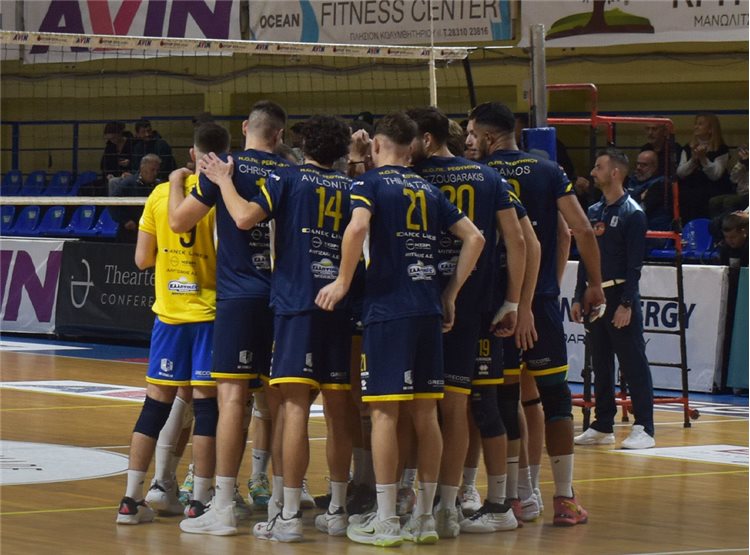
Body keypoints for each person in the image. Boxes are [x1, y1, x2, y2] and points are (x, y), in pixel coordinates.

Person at [316, 111, 485, 547]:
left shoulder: (368, 184)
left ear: (376, 145)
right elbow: (475, 238)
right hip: (428, 308)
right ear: (413, 147)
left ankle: (388, 518)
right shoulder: (429, 189)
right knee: (426, 414)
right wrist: (450, 293)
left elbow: (357, 227)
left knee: (384, 413)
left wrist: (342, 282)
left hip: (388, 310)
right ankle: (425, 518)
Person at [199, 114, 354, 542]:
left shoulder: (289, 178)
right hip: (340, 303)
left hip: (296, 302)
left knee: (293, 406)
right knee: (339, 411)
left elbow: (245, 217)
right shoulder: (353, 187)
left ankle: (286, 515)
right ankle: (338, 510)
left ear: (304, 146)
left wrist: (223, 180)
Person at [466, 101, 605, 527]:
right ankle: (564, 498)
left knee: (503, 399)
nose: (469, 141)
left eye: (472, 134)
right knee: (555, 397)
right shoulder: (548, 170)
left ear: (488, 137)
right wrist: (589, 284)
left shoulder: (479, 175)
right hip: (540, 303)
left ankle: (513, 497)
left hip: (497, 303)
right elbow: (575, 230)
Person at [168, 100, 290, 536]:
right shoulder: (291, 173)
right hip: (284, 298)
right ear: (280, 135)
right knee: (281, 404)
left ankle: (222, 504)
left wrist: (176, 182)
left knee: (232, 399)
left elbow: (179, 222)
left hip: (238, 297)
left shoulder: (226, 168)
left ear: (244, 128)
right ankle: (282, 502)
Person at [407, 106, 527, 538]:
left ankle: (407, 499)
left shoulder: (411, 176)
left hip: (420, 299)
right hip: (477, 304)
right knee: (460, 407)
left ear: (426, 139)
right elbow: (517, 241)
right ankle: (448, 507)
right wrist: (513, 301)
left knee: (412, 406)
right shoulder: (488, 176)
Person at [115, 122, 230, 525]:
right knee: (206, 410)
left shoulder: (160, 194)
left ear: (192, 153)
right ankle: (199, 501)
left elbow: (141, 260)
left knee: (154, 407)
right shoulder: (223, 194)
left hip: (169, 316)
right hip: (209, 316)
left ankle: (131, 501)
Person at [573, 148, 655, 450]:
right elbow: (585, 258)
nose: (593, 173)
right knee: (600, 361)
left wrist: (627, 303)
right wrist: (578, 295)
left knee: (633, 362)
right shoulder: (594, 211)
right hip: (595, 295)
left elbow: (635, 265)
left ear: (615, 172)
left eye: (598, 167)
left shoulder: (633, 212)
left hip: (620, 294)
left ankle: (645, 427)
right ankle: (602, 424)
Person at [676, 113, 731, 222]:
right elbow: (680, 173)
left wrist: (703, 159)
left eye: (700, 124)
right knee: (686, 196)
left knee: (704, 197)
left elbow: (715, 175)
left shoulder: (721, 149)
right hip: (691, 188)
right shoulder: (687, 148)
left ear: (710, 129)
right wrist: (693, 160)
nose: (696, 127)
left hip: (713, 189)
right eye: (695, 124)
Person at [110, 154, 162, 243]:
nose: (155, 173)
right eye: (152, 170)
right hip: (130, 234)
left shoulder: (159, 186)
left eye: (157, 170)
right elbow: (112, 204)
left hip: (152, 232)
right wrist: (125, 220)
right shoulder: (128, 183)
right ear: (142, 168)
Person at [628, 150, 672, 234]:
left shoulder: (661, 183)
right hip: (634, 230)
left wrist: (631, 198)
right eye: (637, 164)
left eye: (643, 165)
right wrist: (639, 197)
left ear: (654, 167)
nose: (638, 168)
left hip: (654, 232)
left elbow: (639, 210)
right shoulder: (632, 181)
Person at [709, 145, 749, 218]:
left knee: (729, 201)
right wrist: (742, 162)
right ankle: (717, 223)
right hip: (740, 193)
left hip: (747, 194)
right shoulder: (742, 163)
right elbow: (733, 178)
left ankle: (731, 223)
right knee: (714, 201)